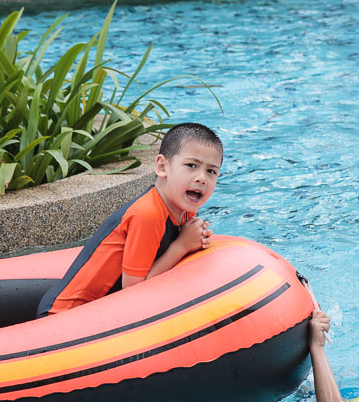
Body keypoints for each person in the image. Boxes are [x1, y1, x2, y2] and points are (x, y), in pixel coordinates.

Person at [38, 122, 222, 316]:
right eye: (191, 166)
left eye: (211, 171)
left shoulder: (184, 209)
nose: (202, 178)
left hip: (98, 313)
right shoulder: (148, 214)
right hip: (64, 316)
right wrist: (181, 246)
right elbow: (134, 292)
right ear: (162, 167)